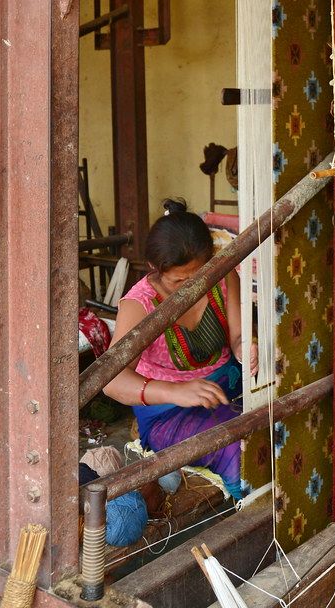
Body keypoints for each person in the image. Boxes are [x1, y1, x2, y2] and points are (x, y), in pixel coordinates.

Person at [104, 199, 258, 499]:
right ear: (155, 268)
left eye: (198, 276)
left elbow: (239, 335)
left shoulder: (223, 275)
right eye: (178, 280)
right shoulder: (139, 304)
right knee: (239, 446)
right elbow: (113, 382)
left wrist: (246, 348)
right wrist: (177, 391)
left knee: (274, 423)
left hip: (229, 388)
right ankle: (261, 514)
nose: (191, 287)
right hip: (170, 412)